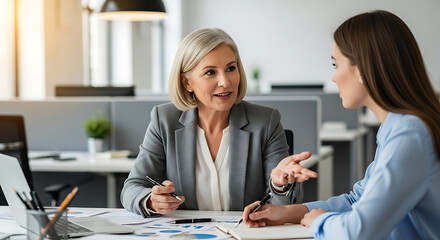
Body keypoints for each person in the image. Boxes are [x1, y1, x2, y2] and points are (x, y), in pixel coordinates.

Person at [243, 10, 440, 240]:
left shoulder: (409, 134)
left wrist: (318, 221)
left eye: (336, 65)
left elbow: (358, 231)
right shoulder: (397, 127)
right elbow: (358, 200)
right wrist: (288, 212)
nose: (334, 78)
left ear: (362, 70)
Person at [121, 28, 317, 217]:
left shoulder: (265, 122)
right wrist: (150, 200)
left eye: (231, 68)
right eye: (210, 72)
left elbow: (286, 207)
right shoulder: (164, 120)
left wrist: (279, 185)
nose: (225, 81)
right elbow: (132, 188)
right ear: (186, 82)